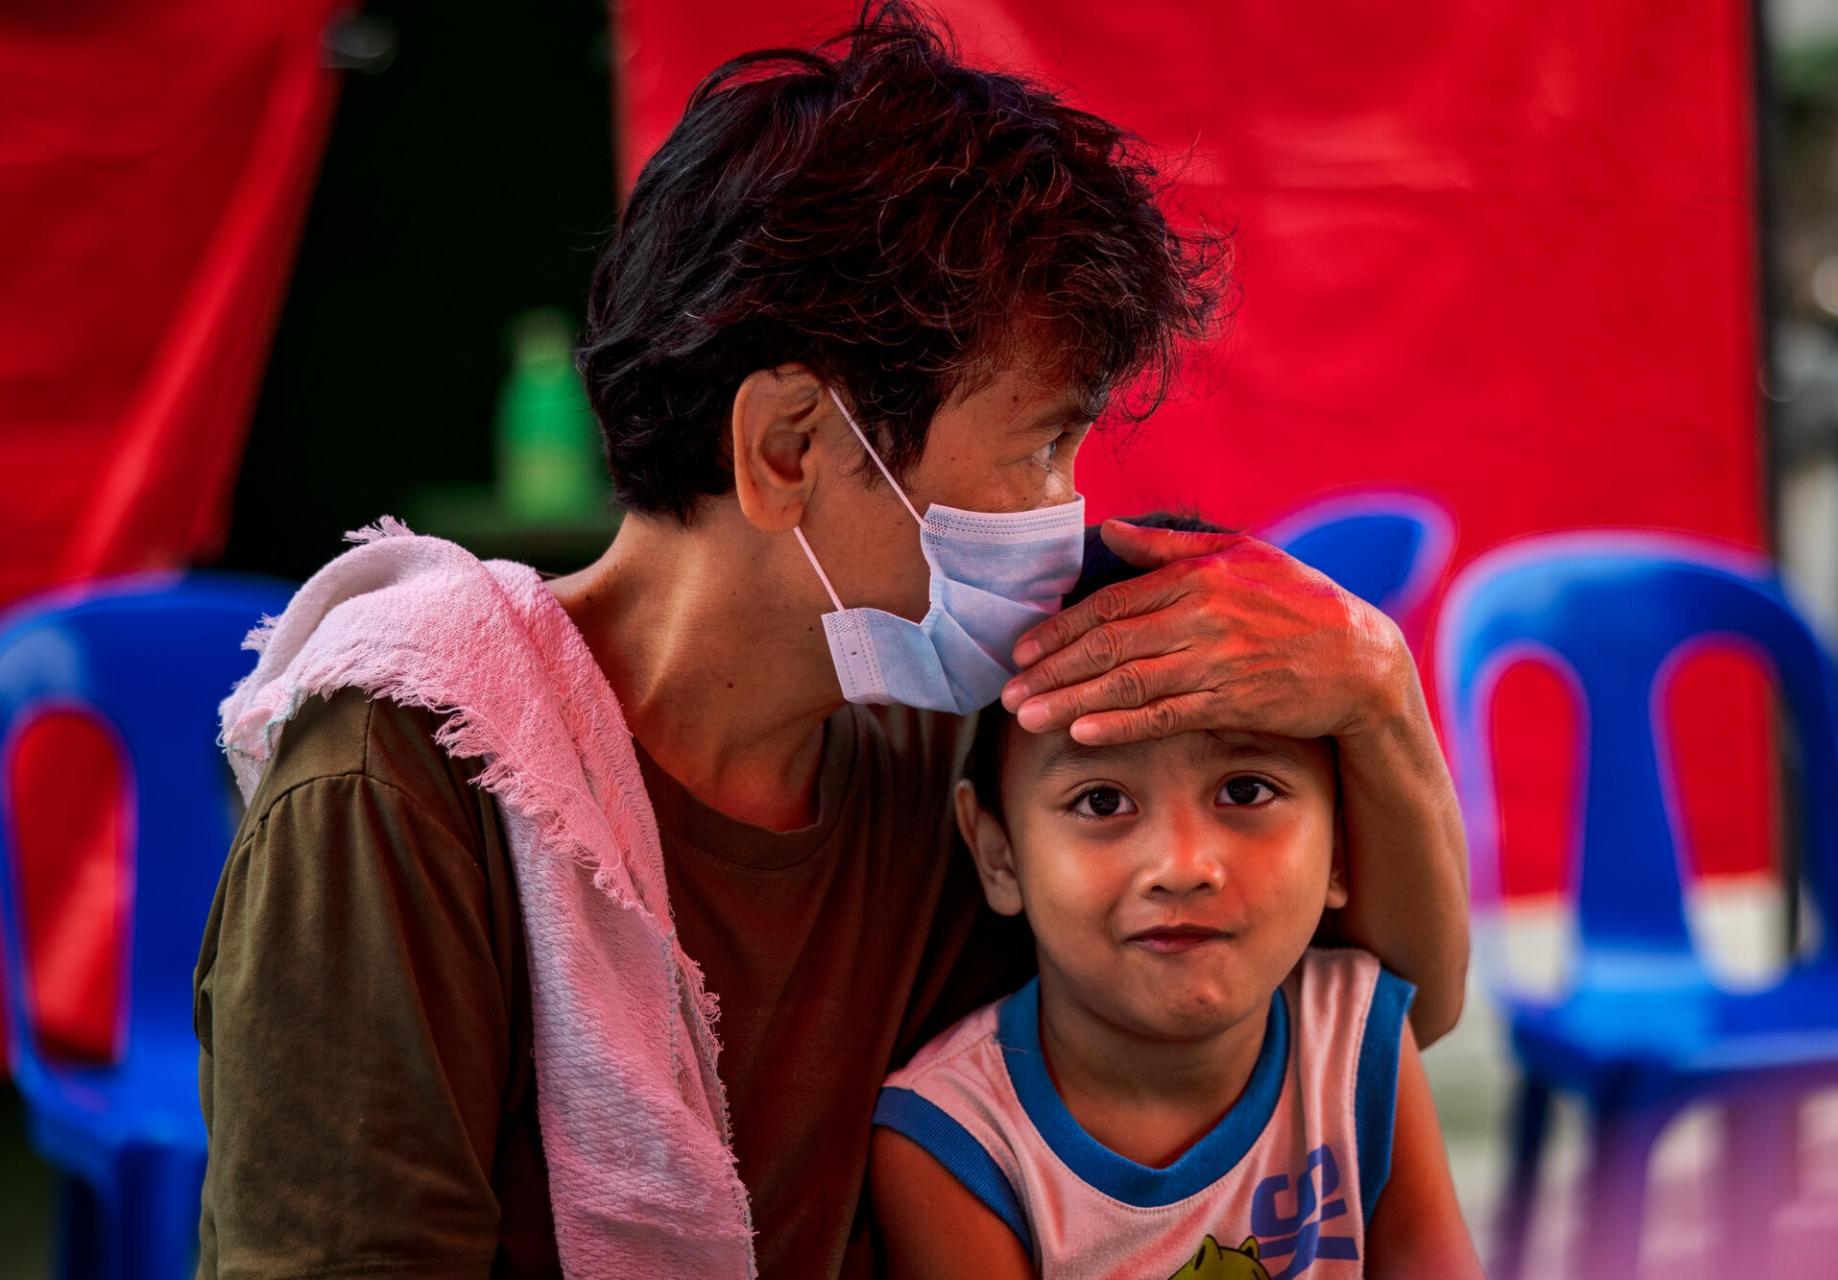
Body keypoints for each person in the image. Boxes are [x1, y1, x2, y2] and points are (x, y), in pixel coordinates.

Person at [193, 5, 1470, 1277]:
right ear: (788, 449)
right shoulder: (402, 789)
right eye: (1039, 448)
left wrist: (1374, 685)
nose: (1071, 517)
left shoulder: (944, 739)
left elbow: (1363, 1010)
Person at [869, 517, 1481, 1280]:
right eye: (1101, 803)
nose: (1183, 865)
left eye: (1246, 790)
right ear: (999, 857)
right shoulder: (953, 1142)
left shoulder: (1359, 1042)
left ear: (1343, 845)